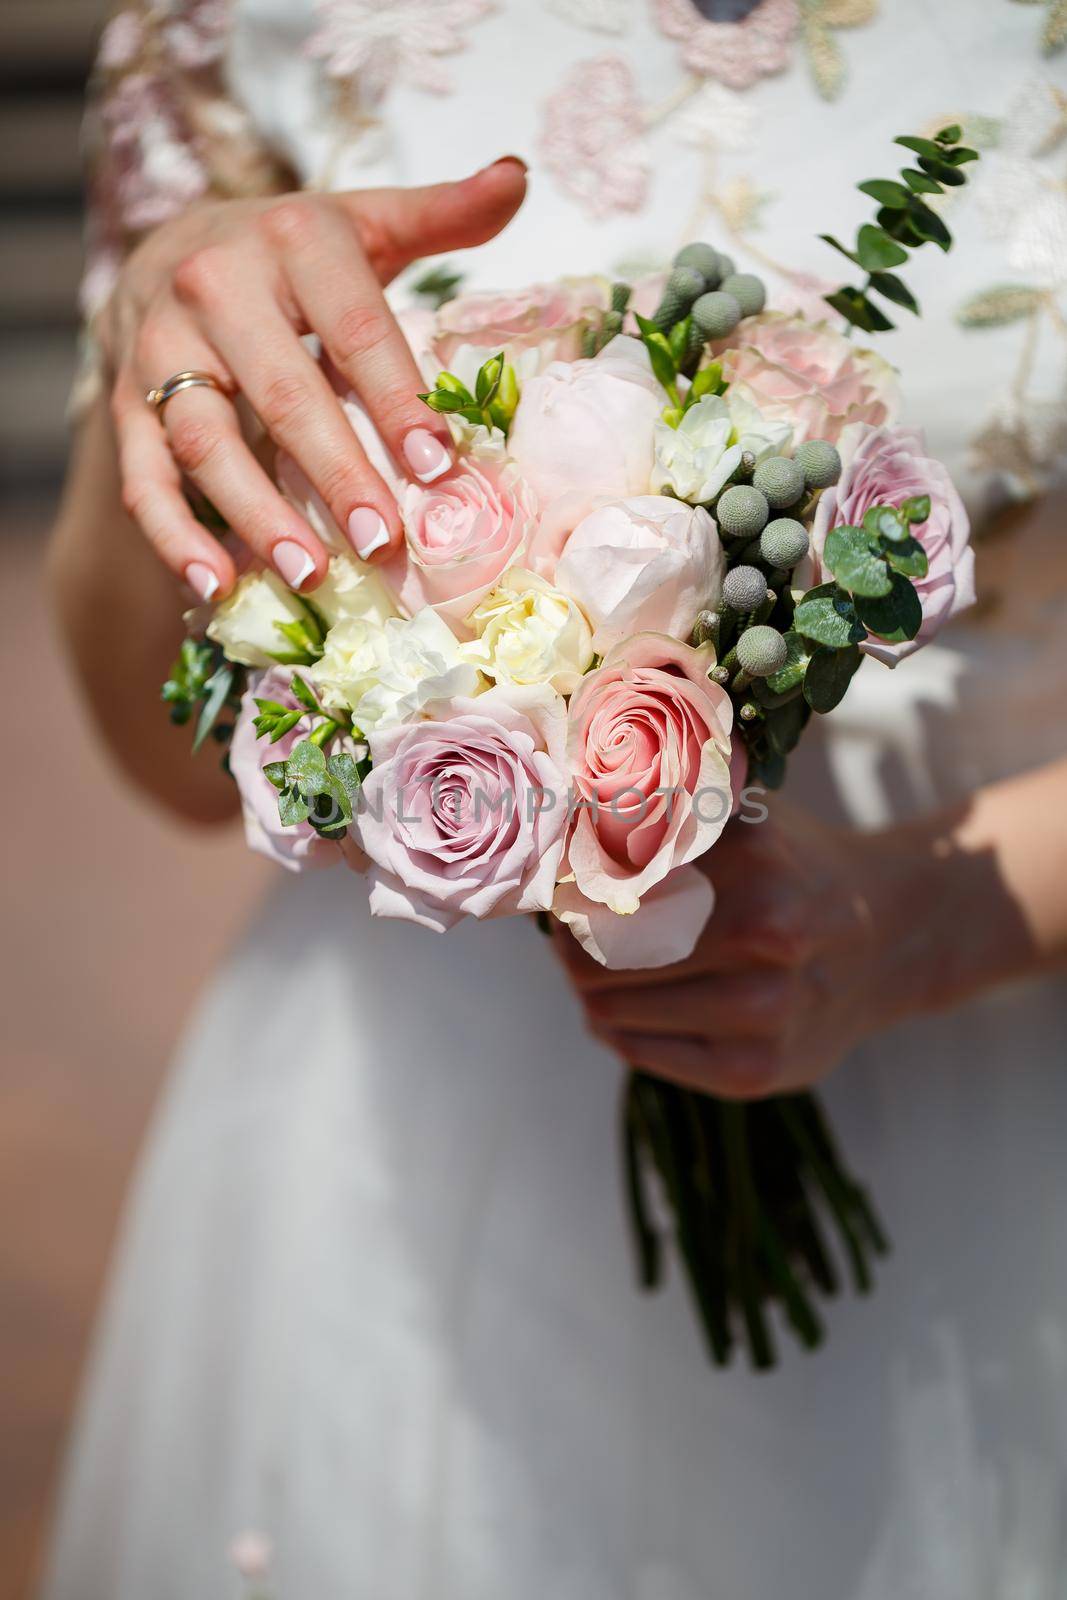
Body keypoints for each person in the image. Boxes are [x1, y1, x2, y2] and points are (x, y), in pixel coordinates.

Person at [45, 1, 1067, 1594]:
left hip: (994, 1054)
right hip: (415, 1099)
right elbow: (157, 756)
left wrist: (919, 920)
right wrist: (157, 365)